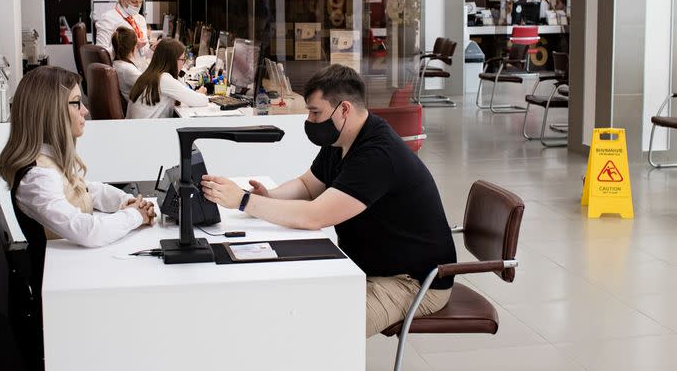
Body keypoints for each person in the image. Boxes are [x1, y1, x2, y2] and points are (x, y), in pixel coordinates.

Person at [200, 64, 456, 337]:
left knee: (321, 330)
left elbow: (315, 216)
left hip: (413, 282)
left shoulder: (377, 155)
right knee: (287, 305)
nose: (310, 121)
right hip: (373, 268)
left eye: (315, 112)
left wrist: (243, 201)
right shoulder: (343, 140)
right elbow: (307, 186)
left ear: (344, 109)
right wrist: (267, 197)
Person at [0, 66, 157, 250]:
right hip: (58, 274)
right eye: (77, 103)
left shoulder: (47, 161)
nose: (85, 111)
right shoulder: (37, 178)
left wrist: (125, 201)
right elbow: (89, 232)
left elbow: (86, 190)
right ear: (52, 111)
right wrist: (134, 215)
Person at [126, 39, 209, 119]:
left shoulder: (150, 74)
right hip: (147, 130)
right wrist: (200, 93)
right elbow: (201, 100)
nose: (183, 64)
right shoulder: (163, 79)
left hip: (137, 128)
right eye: (182, 60)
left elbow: (181, 94)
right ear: (172, 61)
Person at [94, 0, 157, 69]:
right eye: (134, 2)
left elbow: (143, 53)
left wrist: (152, 49)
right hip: (122, 71)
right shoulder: (108, 19)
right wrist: (130, 45)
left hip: (140, 70)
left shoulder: (140, 19)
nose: (138, 6)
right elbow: (101, 54)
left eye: (140, 2)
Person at [111, 26, 144, 102]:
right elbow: (150, 86)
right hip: (137, 106)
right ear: (133, 48)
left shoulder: (117, 63)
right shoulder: (127, 69)